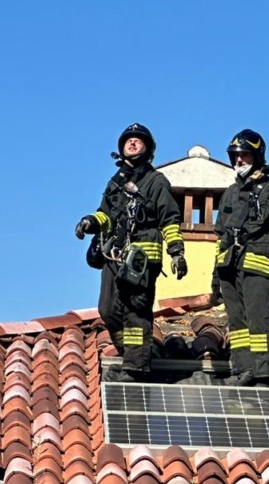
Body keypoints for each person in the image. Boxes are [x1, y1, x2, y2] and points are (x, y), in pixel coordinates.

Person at [75, 123, 186, 382]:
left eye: (138, 141)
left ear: (148, 149)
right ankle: (131, 354)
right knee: (107, 308)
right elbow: (105, 214)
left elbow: (170, 219)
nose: (132, 143)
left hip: (142, 258)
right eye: (128, 140)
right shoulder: (115, 183)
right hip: (114, 255)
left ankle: (135, 367)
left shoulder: (156, 182)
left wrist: (177, 252)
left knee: (135, 311)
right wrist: (90, 221)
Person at [214, 129, 269, 387]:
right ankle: (242, 369)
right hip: (228, 267)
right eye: (235, 156)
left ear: (257, 157)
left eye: (245, 155)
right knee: (237, 323)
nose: (239, 161)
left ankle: (263, 372)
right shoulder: (229, 193)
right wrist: (214, 276)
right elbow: (220, 237)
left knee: (258, 319)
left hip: (258, 264)